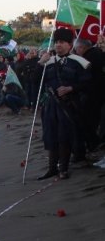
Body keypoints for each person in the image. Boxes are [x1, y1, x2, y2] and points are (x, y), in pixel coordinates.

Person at [35, 28, 91, 180]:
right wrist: (40, 63)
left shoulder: (79, 63)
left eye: (62, 42)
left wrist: (70, 88)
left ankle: (63, 169)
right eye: (56, 42)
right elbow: (34, 81)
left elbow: (87, 83)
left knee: (64, 136)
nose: (58, 45)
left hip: (68, 105)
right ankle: (52, 168)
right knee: (50, 135)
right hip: (50, 105)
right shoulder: (48, 62)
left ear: (70, 44)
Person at [73, 38, 105, 154]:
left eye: (76, 49)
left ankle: (94, 143)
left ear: (82, 47)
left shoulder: (87, 58)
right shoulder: (98, 53)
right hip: (99, 92)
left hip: (92, 93)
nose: (76, 51)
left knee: (87, 121)